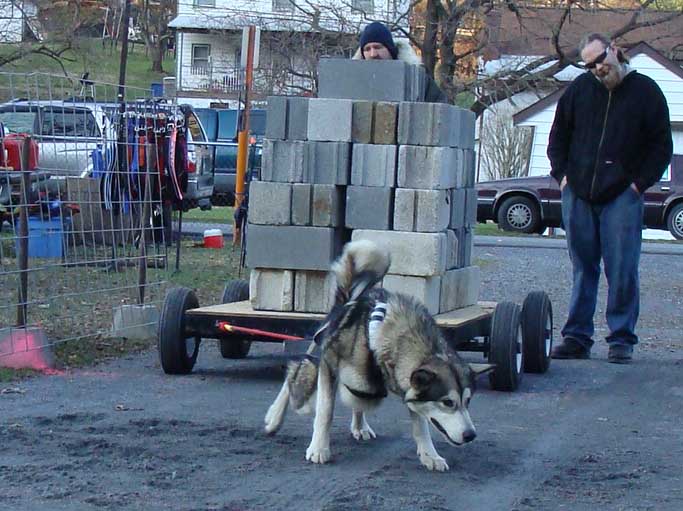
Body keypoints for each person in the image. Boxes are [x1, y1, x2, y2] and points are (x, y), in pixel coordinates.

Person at [547, 33, 673, 364]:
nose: (598, 69)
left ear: (615, 50)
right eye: (589, 66)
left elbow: (661, 147)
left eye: (601, 60)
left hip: (622, 196)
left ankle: (621, 338)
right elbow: (558, 137)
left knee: (622, 269)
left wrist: (637, 186)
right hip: (579, 194)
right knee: (582, 267)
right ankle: (576, 337)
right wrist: (562, 178)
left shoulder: (646, 92)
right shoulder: (579, 90)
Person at [354, 21, 448, 104]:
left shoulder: (417, 79)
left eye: (378, 47)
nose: (373, 54)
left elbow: (441, 110)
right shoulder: (354, 82)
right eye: (367, 49)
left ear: (390, 50)